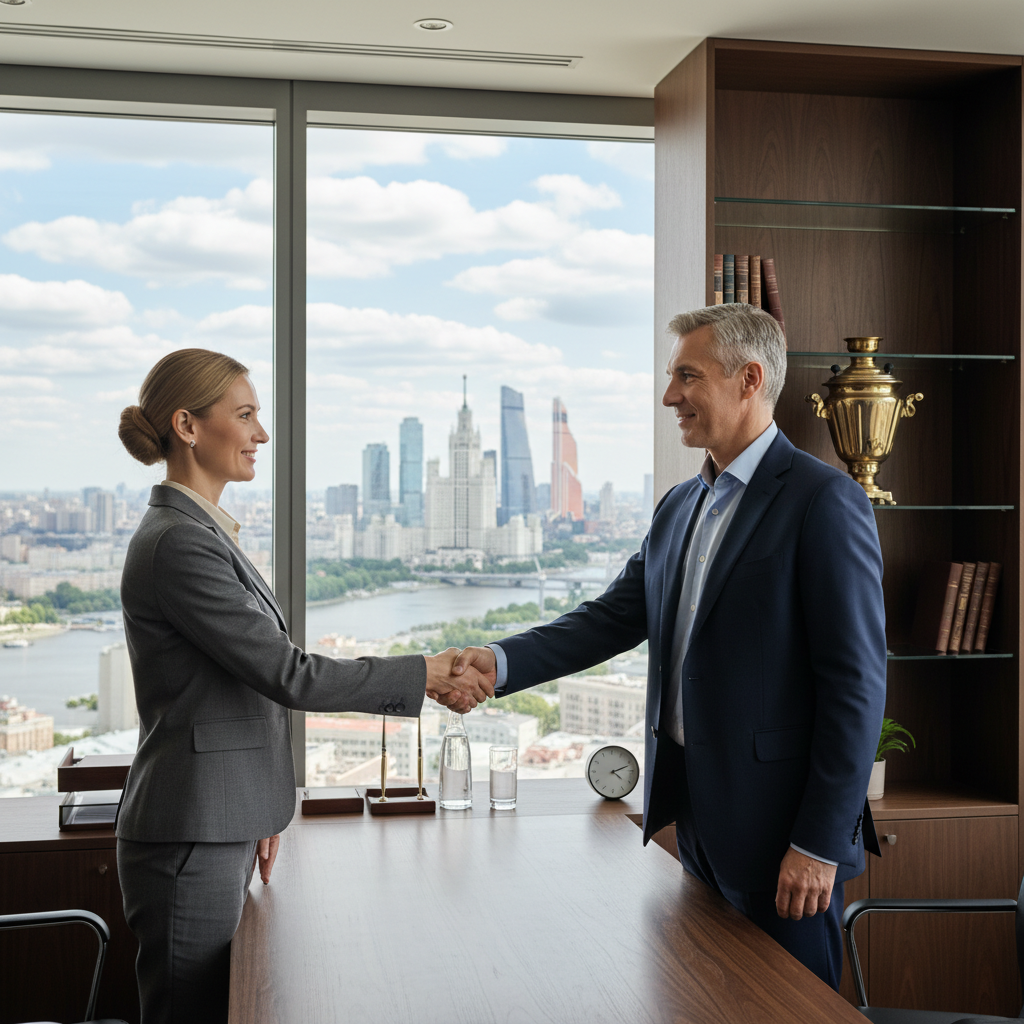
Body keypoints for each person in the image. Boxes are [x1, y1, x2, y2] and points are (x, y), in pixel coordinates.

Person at [452, 303, 886, 989]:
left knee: (791, 1007)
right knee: (701, 999)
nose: (669, 396)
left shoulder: (823, 502)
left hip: (783, 839)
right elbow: (612, 618)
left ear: (749, 379)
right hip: (690, 824)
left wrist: (817, 843)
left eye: (687, 376)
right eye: (670, 377)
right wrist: (498, 663)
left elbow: (856, 685)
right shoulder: (680, 504)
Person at [115, 348, 490, 1024]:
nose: (261, 434)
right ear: (189, 426)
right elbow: (285, 673)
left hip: (217, 822)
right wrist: (423, 673)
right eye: (246, 415)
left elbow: (237, 689)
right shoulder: (179, 544)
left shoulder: (201, 532)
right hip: (190, 834)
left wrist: (255, 806)